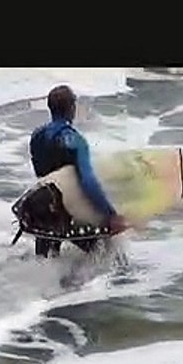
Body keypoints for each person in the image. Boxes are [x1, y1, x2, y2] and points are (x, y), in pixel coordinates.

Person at [24, 85, 125, 258]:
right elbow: (88, 182)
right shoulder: (75, 141)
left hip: (43, 208)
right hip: (69, 211)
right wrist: (111, 215)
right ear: (72, 108)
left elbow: (40, 173)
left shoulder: (37, 136)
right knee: (108, 254)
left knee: (45, 262)